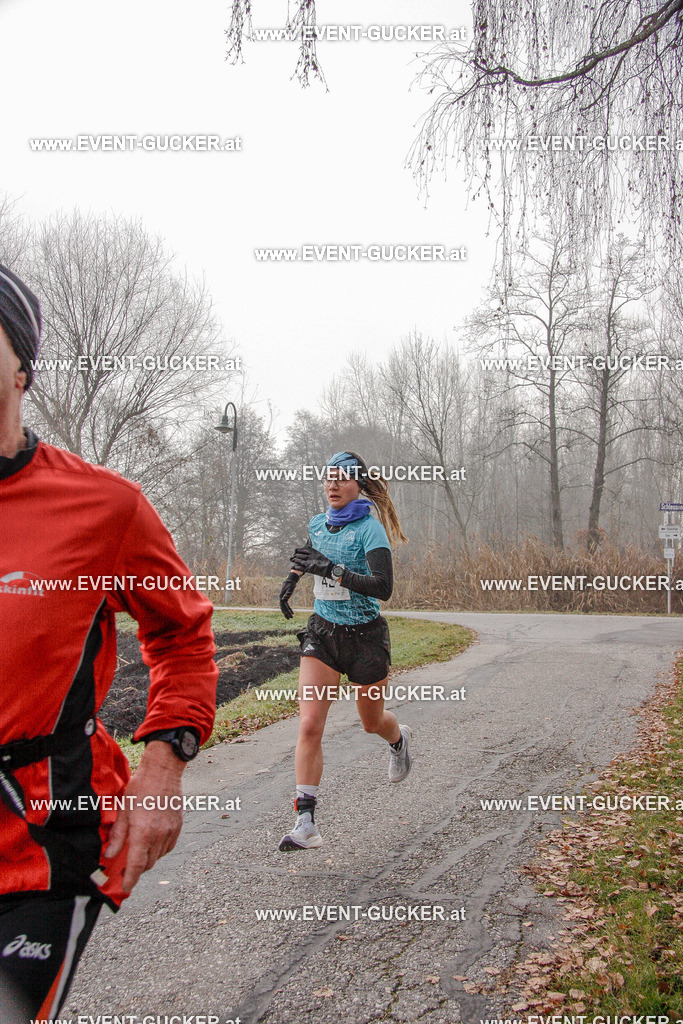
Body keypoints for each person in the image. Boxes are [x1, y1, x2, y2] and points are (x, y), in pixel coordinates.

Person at [0, 264, 218, 1021]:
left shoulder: (104, 507)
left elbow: (182, 634)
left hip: (37, 849)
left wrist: (161, 772)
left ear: (22, 368)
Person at [277, 450, 410, 852]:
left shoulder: (370, 530)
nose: (332, 485)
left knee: (371, 722)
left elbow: (383, 588)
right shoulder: (318, 524)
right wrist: (291, 580)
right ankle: (305, 823)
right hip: (323, 634)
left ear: (358, 485)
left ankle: (398, 740)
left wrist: (333, 571)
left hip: (366, 638)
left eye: (342, 478)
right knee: (309, 725)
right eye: (328, 477)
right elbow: (308, 555)